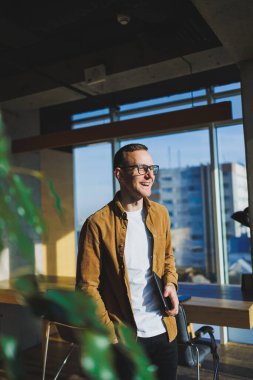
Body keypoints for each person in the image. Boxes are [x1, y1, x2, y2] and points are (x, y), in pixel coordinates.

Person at [76, 143, 179, 380]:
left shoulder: (161, 214)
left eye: (152, 167)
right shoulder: (97, 224)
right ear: (119, 174)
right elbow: (86, 286)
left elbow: (167, 258)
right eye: (141, 168)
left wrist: (171, 284)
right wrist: (111, 335)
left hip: (165, 332)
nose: (150, 175)